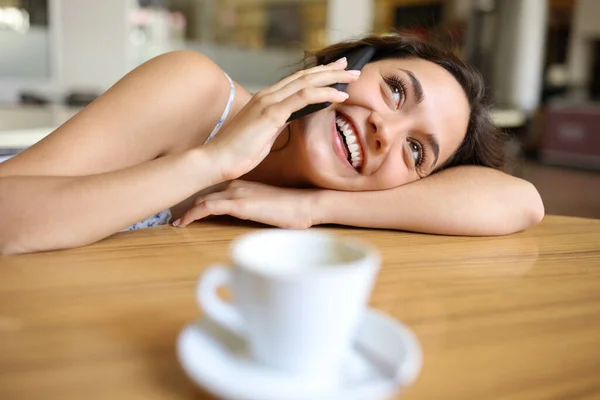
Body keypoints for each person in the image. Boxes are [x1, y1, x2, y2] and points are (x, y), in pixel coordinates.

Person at [0, 34, 544, 255]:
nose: (387, 131)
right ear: (346, 67)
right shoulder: (195, 90)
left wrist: (312, 206)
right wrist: (211, 162)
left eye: (417, 152)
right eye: (395, 90)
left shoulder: (332, 205)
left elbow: (521, 202)